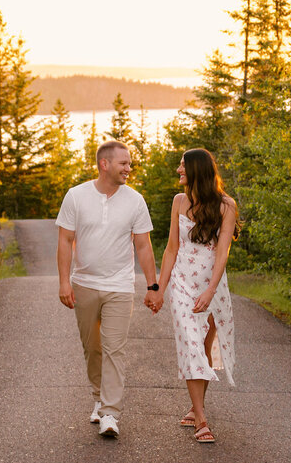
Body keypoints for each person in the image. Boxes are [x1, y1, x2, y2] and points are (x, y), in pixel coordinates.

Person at [56, 140, 163, 439]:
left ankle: (110, 414)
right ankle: (98, 397)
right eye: (124, 163)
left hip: (119, 286)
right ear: (105, 164)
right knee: (92, 347)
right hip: (85, 283)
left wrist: (153, 286)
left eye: (129, 163)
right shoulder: (76, 196)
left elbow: (143, 245)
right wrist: (64, 281)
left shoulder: (135, 200)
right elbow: (65, 241)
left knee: (115, 348)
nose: (129, 168)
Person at [156, 147, 237, 444]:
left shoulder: (226, 206)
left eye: (182, 166)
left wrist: (211, 290)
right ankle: (202, 420)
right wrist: (159, 290)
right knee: (191, 342)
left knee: (203, 345)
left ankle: (194, 406)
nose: (178, 171)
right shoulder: (178, 201)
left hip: (211, 284)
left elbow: (222, 253)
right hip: (181, 282)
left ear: (196, 170)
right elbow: (170, 249)